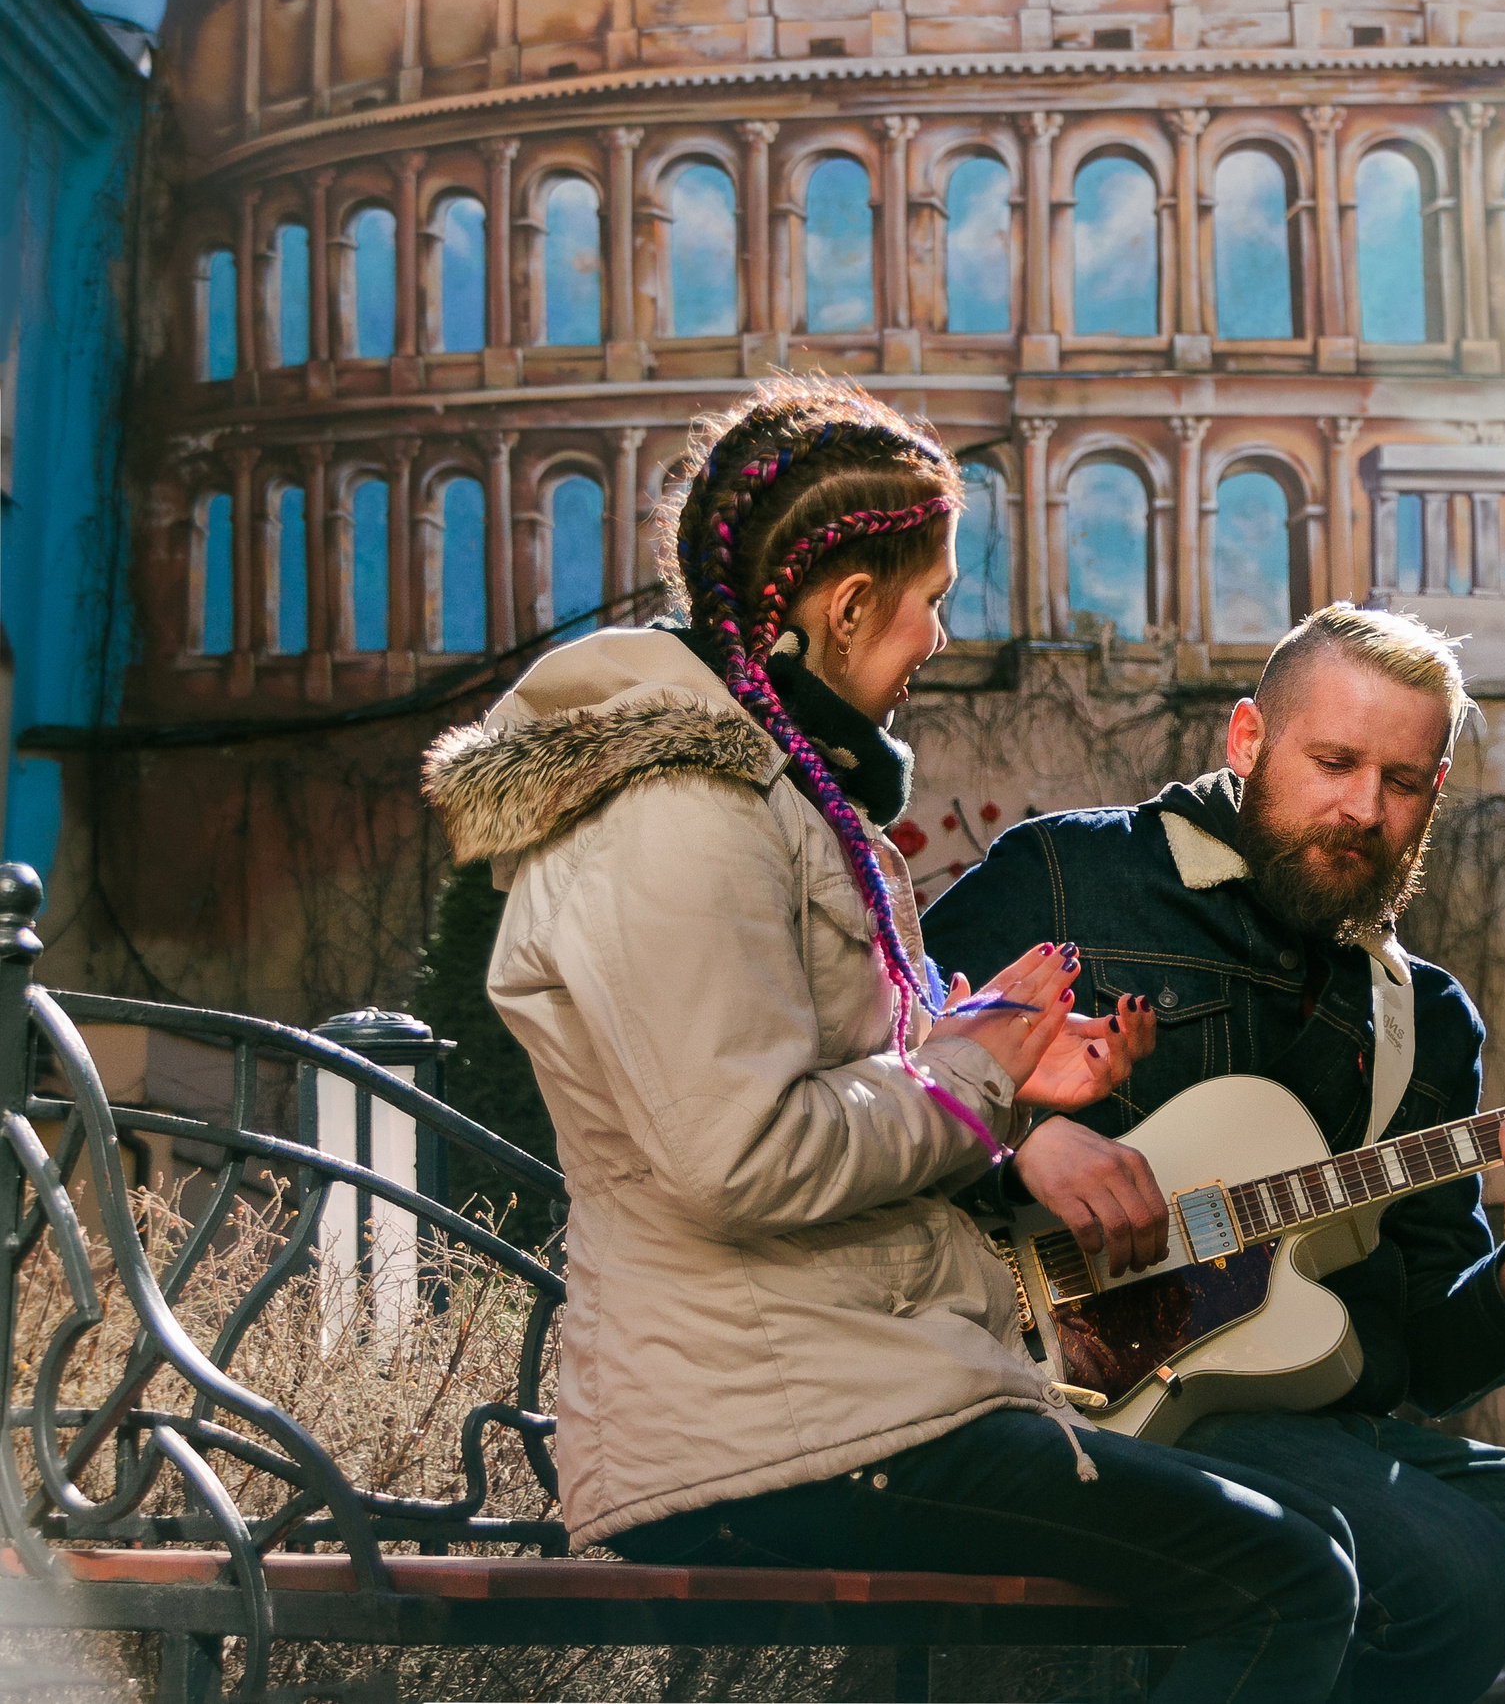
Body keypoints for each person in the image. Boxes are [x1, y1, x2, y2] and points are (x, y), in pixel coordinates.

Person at [421, 377, 1359, 1703]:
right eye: (929, 595)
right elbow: (737, 1153)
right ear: (846, 603)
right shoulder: (684, 811)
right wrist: (977, 1061)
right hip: (767, 1430)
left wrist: (1018, 1083)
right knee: (1288, 1579)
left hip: (830, 1395)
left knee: (1295, 1555)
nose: (939, 631)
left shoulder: (783, 796)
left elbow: (855, 1085)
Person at [924, 603, 1505, 1704]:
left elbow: (1419, 1355)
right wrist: (1020, 1135)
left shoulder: (1422, 1016)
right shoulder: (1069, 877)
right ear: (1246, 742)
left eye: (1405, 781)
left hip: (1328, 1425)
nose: (1364, 809)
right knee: (1459, 1584)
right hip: (1083, 1399)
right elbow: (868, 1052)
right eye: (1334, 762)